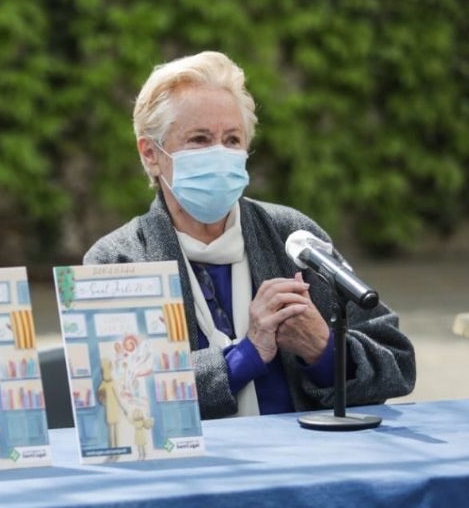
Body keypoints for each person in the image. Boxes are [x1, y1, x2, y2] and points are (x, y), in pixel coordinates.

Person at [85, 51, 415, 419]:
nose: (219, 154)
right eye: (199, 139)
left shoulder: (292, 237)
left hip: (304, 459)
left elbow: (398, 362)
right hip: (194, 472)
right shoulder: (118, 260)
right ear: (151, 154)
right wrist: (248, 354)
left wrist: (323, 350)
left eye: (232, 140)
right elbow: (118, 404)